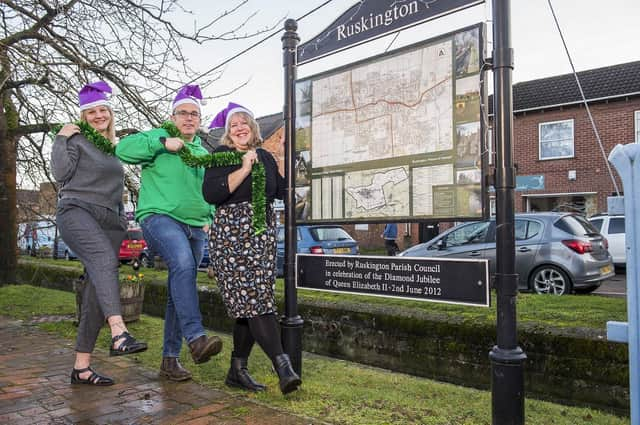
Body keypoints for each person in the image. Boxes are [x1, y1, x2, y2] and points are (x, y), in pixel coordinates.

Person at [115, 85, 222, 382]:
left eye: (194, 114)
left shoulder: (201, 152)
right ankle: (197, 339)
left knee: (180, 287)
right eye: (183, 113)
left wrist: (209, 217)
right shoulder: (156, 138)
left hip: (196, 226)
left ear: (199, 120)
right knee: (184, 265)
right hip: (160, 218)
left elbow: (208, 192)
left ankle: (169, 361)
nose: (189, 118)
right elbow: (122, 149)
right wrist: (163, 142)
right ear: (173, 116)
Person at [51, 81, 148, 387]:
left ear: (110, 112)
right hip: (77, 210)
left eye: (102, 109)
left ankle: (81, 368)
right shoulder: (76, 140)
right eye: (90, 111)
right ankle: (119, 332)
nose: (97, 115)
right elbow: (60, 173)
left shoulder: (114, 148)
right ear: (83, 116)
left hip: (110, 222)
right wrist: (61, 137)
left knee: (95, 292)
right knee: (104, 260)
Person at [202, 102, 301, 394]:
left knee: (251, 304)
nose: (240, 128)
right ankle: (282, 366)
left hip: (261, 236)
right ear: (228, 133)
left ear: (253, 128)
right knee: (257, 302)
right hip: (231, 237)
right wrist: (245, 167)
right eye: (234, 125)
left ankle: (237, 369)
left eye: (245, 122)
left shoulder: (266, 157)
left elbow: (283, 191)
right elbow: (211, 193)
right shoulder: (221, 156)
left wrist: (283, 153)